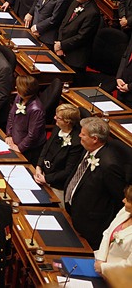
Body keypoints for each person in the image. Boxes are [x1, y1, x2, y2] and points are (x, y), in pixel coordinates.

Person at [64, 117, 126, 249]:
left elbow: (119, 198)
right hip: (74, 213)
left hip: (91, 225)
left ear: (95, 139)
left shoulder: (109, 165)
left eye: (83, 134)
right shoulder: (88, 149)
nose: (79, 135)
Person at [34, 103, 83, 201]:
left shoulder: (76, 142)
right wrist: (39, 166)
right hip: (43, 174)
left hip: (56, 185)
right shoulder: (57, 128)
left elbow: (68, 171)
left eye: (58, 117)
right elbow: (46, 147)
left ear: (67, 122)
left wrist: (46, 179)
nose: (54, 117)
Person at [55, 0, 101, 77]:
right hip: (61, 50)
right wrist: (59, 43)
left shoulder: (93, 13)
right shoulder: (75, 2)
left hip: (75, 58)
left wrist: (62, 45)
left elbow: (82, 37)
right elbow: (64, 23)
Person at [4, 76, 46, 165]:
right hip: (14, 141)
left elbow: (33, 135)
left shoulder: (36, 109)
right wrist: (9, 134)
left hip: (28, 150)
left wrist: (20, 148)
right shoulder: (19, 97)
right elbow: (11, 115)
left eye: (18, 86)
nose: (15, 87)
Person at [94, 185, 132, 275]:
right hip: (99, 265)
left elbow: (129, 265)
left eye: (127, 200)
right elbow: (107, 233)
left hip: (117, 277)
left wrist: (103, 267)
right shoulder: (125, 211)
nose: (123, 200)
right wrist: (100, 260)